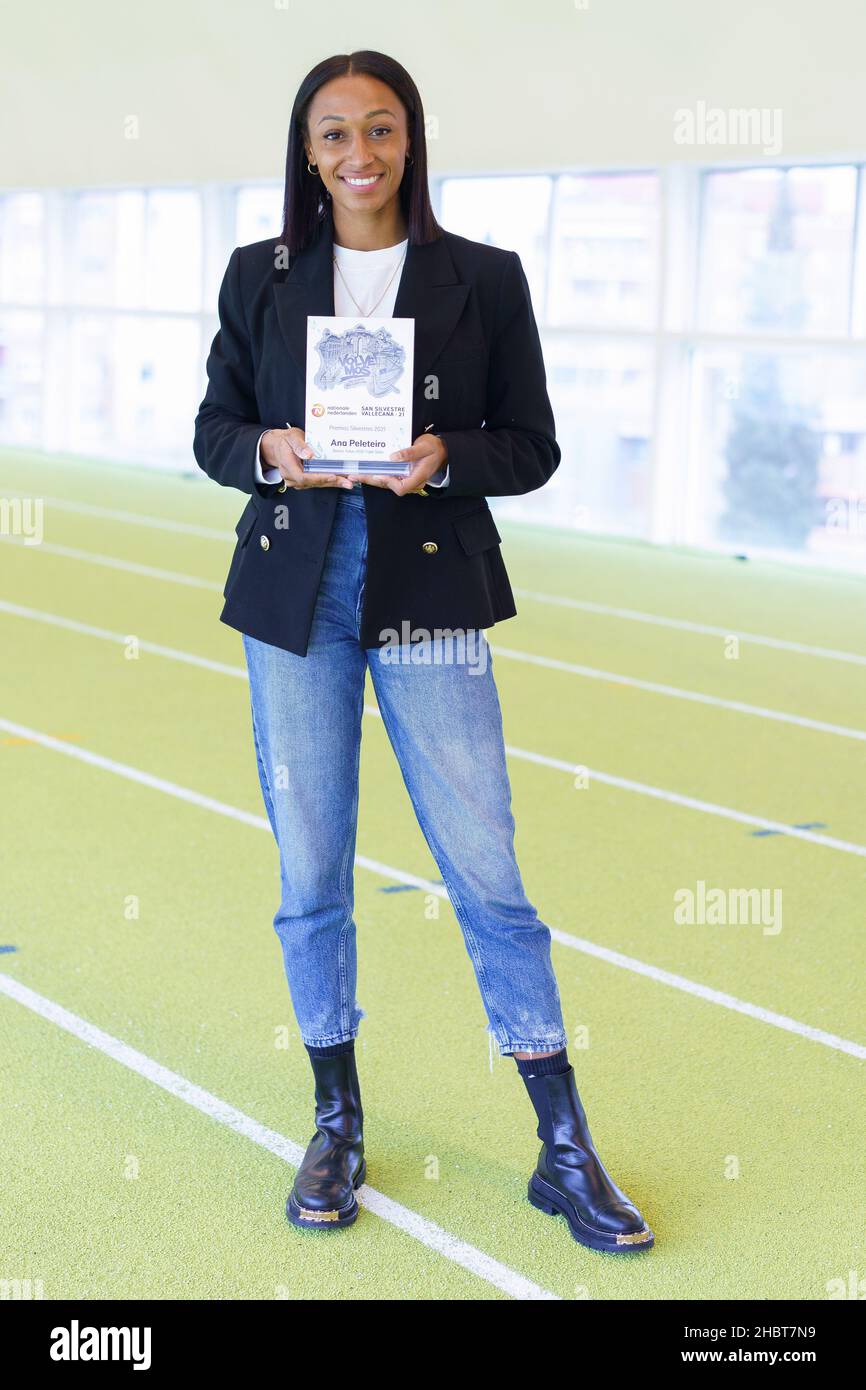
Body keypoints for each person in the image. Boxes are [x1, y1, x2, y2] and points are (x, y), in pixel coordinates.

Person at [193, 49, 653, 1255]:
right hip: (296, 594)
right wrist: (269, 448)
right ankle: (336, 1119)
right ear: (306, 148)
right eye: (334, 132)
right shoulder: (261, 275)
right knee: (309, 871)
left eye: (381, 129)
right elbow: (212, 429)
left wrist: (449, 453)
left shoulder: (481, 278)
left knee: (485, 866)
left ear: (411, 141)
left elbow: (533, 444)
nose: (359, 154)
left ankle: (563, 1147)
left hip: (431, 593)